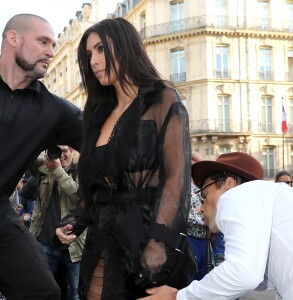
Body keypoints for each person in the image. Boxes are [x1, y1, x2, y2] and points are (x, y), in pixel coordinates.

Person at [56, 17, 196, 300]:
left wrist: (159, 244)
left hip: (145, 239)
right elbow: (96, 187)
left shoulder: (161, 99)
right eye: (88, 55)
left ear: (124, 46)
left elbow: (176, 179)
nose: (93, 61)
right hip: (101, 241)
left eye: (100, 50)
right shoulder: (98, 112)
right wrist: (74, 220)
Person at [138, 152, 293, 300]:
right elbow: (257, 278)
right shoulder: (268, 201)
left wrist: (178, 296)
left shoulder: (236, 195)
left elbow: (243, 275)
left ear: (229, 184)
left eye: (204, 194)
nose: (202, 206)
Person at [0, 14, 82, 299]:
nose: (51, 51)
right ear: (13, 38)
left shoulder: (56, 112)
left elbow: (105, 140)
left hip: (0, 216)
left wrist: (173, 153)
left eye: (53, 44)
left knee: (43, 290)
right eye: (43, 41)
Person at [29, 146, 86, 300]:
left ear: (72, 150)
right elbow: (28, 153)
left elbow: (79, 198)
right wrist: (45, 149)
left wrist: (58, 171)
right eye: (56, 150)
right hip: (45, 243)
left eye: (64, 151)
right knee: (43, 291)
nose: (60, 155)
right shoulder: (44, 168)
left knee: (75, 294)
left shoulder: (82, 170)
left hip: (74, 247)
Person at [187, 152, 207, 281]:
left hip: (204, 239)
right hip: (189, 239)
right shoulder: (183, 186)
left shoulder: (202, 186)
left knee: (203, 279)